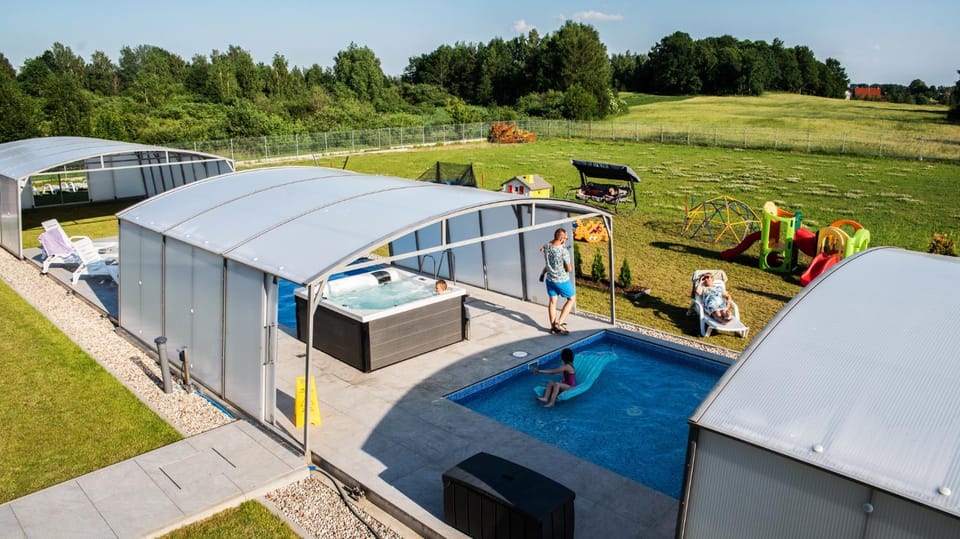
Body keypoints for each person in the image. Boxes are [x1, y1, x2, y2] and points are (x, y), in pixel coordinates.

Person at [539, 228, 576, 335]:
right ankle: (559, 323)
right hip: (561, 281)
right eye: (566, 238)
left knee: (552, 302)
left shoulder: (546, 246)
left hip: (550, 279)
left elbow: (551, 243)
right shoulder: (564, 252)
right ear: (562, 239)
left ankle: (552, 327)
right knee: (571, 299)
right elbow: (569, 269)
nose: (567, 239)